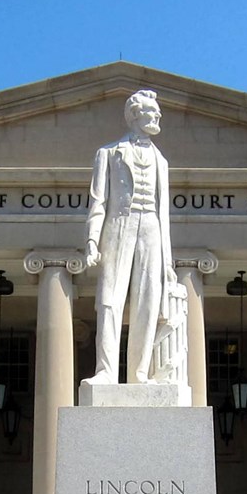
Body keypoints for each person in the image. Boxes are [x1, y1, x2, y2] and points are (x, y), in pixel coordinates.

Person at [84, 89, 175, 385]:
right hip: (119, 226)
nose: (158, 115)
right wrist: (91, 241)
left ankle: (139, 371)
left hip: (151, 229)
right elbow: (98, 201)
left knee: (147, 301)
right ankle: (106, 371)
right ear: (135, 115)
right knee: (110, 299)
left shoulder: (161, 160)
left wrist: (169, 261)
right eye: (152, 111)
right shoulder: (108, 153)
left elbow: (165, 214)